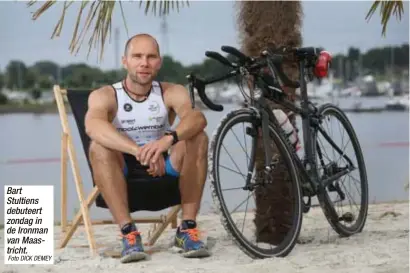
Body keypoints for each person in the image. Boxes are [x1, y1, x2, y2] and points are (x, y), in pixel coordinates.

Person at [84, 33, 210, 263]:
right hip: (123, 166)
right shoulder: (105, 95)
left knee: (198, 138)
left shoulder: (171, 91)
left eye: (151, 57)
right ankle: (129, 234)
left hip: (165, 164)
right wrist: (138, 151)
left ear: (159, 62)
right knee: (97, 147)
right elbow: (92, 125)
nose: (144, 62)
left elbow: (197, 118)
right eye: (137, 56)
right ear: (125, 61)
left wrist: (166, 141)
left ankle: (187, 229)